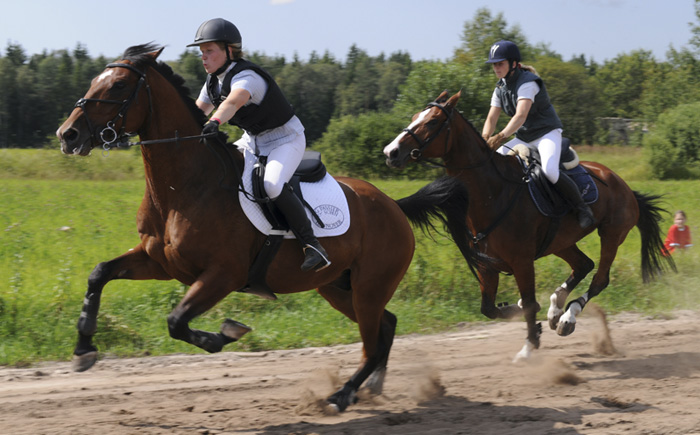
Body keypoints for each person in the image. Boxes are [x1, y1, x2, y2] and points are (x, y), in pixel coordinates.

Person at [188, 18, 330, 272]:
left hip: (285, 138)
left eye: (209, 51)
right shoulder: (212, 82)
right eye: (201, 52)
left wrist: (216, 120)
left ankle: (312, 245)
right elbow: (196, 112)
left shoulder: (247, 77)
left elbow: (232, 102)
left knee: (271, 184)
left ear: (229, 50)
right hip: (253, 139)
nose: (203, 57)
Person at [481, 40, 594, 229]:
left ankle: (582, 209)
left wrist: (500, 137)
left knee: (549, 171)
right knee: (493, 164)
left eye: (500, 63)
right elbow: (491, 118)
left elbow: (520, 116)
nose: (496, 68)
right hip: (524, 137)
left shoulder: (528, 83)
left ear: (514, 64)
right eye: (494, 64)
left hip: (546, 134)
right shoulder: (500, 87)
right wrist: (484, 139)